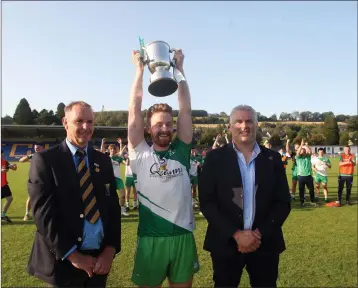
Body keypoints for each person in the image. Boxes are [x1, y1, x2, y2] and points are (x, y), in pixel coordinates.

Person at [27, 101, 121, 287]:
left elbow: (112, 208)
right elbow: (43, 216)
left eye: (90, 122)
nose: (86, 127)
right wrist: (73, 255)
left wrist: (110, 249)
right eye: (79, 121)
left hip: (98, 264)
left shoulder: (103, 161)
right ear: (65, 122)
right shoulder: (45, 161)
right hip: (62, 264)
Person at [128, 49, 199, 287]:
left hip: (182, 236)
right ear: (149, 129)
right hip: (151, 239)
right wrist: (139, 71)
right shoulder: (140, 152)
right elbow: (134, 109)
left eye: (169, 124)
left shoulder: (181, 149)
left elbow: (186, 109)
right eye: (158, 125)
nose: (165, 128)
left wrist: (179, 70)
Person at [199, 105, 291, 288]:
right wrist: (236, 234)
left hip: (264, 244)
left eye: (249, 121)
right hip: (225, 243)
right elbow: (207, 203)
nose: (244, 126)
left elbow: (283, 203)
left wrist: (258, 234)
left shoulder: (273, 159)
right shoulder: (214, 159)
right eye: (239, 121)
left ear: (256, 125)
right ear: (230, 126)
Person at [19, 142, 45, 221]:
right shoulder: (32, 156)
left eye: (38, 148)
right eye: (35, 148)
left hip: (45, 179)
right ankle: (27, 214)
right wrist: (30, 156)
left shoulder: (47, 155)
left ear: (42, 148)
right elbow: (21, 160)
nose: (36, 149)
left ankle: (43, 214)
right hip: (34, 179)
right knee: (31, 197)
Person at [296, 139, 316, 207]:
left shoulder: (308, 157)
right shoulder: (298, 157)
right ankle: (302, 202)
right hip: (301, 176)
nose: (303, 151)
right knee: (301, 190)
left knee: (311, 189)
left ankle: (312, 201)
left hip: (308, 176)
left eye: (304, 150)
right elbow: (298, 152)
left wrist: (306, 145)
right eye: (302, 150)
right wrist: (301, 145)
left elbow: (310, 152)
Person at [1, 149, 17, 223]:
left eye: (2, 154)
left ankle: (3, 215)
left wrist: (14, 166)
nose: (1, 155)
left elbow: (13, 169)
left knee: (10, 199)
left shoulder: (5, 162)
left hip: (3, 184)